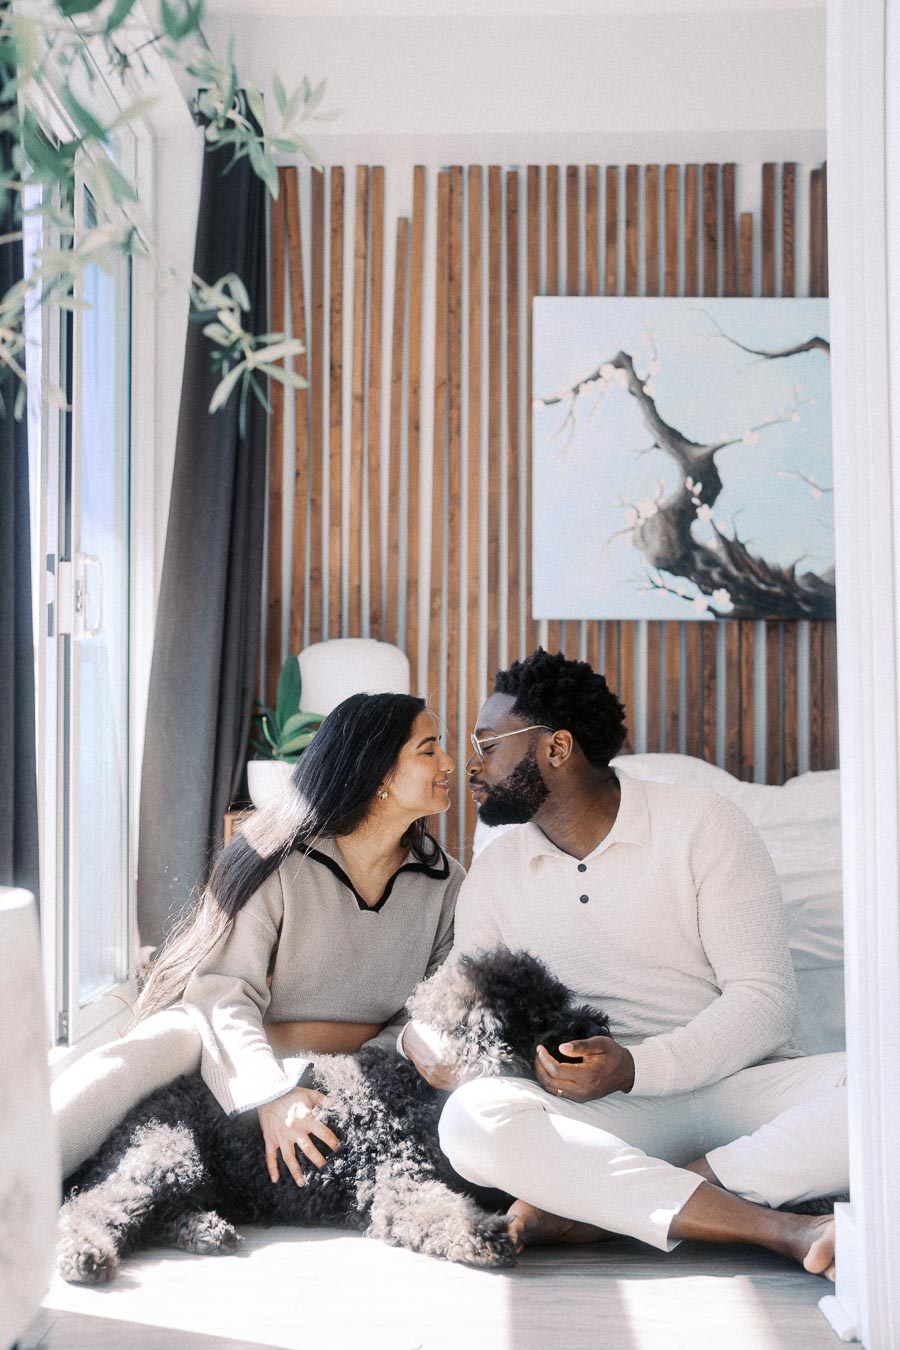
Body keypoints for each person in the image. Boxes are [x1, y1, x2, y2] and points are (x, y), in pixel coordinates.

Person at [400, 649, 847, 1280]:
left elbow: (765, 1002)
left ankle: (608, 1207)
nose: (471, 765)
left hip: (736, 1088)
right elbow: (458, 995)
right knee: (472, 1123)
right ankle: (782, 1229)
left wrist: (637, 1066)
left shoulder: (702, 825)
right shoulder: (498, 871)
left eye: (488, 743)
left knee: (886, 1088)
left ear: (556, 748)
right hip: (598, 1116)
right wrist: (424, 1039)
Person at [53, 692, 462, 1186]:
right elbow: (224, 994)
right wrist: (270, 1094)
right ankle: (23, 1172)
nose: (449, 762)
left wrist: (349, 1066)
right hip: (234, 1047)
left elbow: (424, 1011)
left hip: (358, 1069)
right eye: (429, 749)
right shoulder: (280, 863)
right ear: (378, 772)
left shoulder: (446, 883)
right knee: (161, 1042)